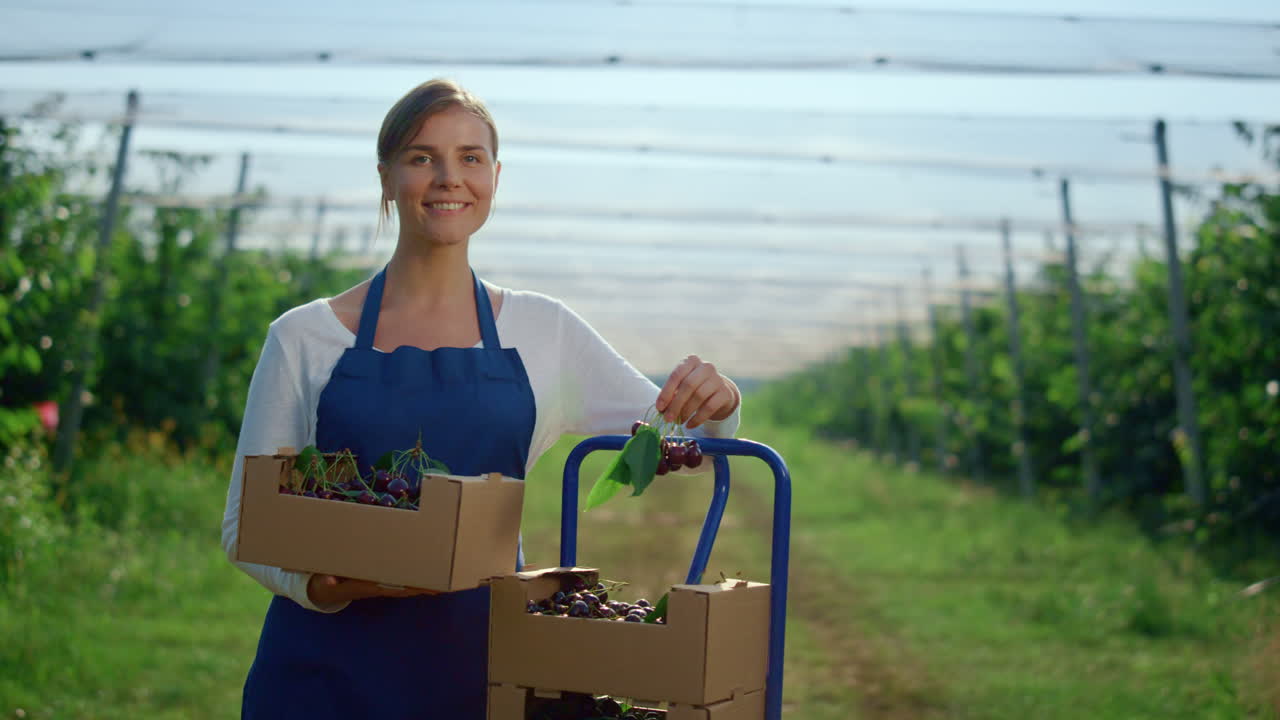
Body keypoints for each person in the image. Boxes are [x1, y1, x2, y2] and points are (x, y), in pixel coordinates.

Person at [221, 78, 743, 719]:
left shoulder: (542, 331)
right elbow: (245, 525)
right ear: (386, 177)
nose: (449, 178)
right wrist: (321, 586)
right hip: (323, 676)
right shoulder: (304, 337)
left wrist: (719, 406)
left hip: (483, 671)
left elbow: (686, 440)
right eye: (421, 158)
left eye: (469, 158)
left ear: (495, 176)